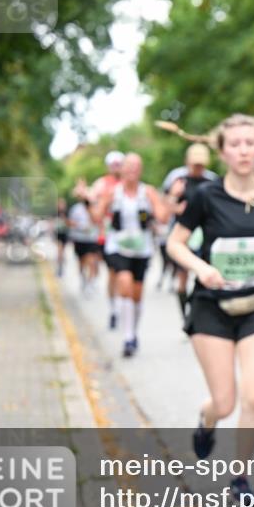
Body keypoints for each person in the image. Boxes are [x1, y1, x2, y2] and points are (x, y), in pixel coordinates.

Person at [166, 113, 254, 502]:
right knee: (223, 402)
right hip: (212, 306)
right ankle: (207, 423)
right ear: (222, 152)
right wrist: (201, 268)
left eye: (250, 143)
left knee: (253, 396)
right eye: (235, 144)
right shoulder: (205, 196)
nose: (243, 150)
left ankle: (240, 478)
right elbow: (175, 243)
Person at [91, 153, 172, 357]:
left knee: (137, 295)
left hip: (142, 249)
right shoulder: (113, 193)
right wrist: (90, 201)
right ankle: (127, 338)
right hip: (118, 247)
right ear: (122, 169)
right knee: (124, 284)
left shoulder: (148, 192)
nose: (132, 170)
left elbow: (162, 218)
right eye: (128, 166)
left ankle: (133, 332)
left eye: (136, 167)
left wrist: (170, 199)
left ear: (140, 170)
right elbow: (97, 217)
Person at [162, 144, 219, 320]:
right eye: (195, 165)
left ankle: (203, 312)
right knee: (183, 277)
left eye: (201, 165)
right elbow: (164, 210)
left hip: (205, 235)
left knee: (206, 273)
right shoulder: (177, 179)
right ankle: (185, 315)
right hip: (183, 234)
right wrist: (175, 201)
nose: (198, 168)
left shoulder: (212, 181)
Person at [91, 151, 125, 330]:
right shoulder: (101, 185)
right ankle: (114, 309)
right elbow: (94, 209)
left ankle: (121, 307)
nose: (116, 167)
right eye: (113, 164)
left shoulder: (130, 183)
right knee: (113, 274)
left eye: (119, 164)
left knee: (124, 276)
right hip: (108, 237)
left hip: (129, 239)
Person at [67, 186, 102, 295]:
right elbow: (69, 222)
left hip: (91, 239)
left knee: (92, 261)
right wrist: (79, 226)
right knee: (81, 262)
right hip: (79, 239)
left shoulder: (94, 207)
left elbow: (98, 220)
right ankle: (83, 278)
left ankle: (90, 283)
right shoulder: (75, 209)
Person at [55, 197, 69, 276]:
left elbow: (69, 223)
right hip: (58, 234)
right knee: (59, 250)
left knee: (62, 251)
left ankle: (61, 265)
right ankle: (59, 266)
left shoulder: (66, 212)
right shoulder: (56, 212)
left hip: (64, 234)